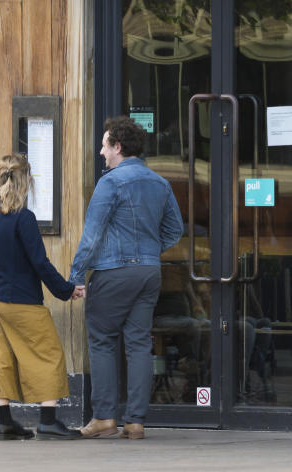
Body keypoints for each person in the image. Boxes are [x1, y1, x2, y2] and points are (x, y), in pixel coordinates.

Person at [69, 116, 183, 440]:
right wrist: (148, 252)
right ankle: (135, 422)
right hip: (149, 273)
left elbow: (91, 236)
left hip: (114, 273)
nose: (101, 152)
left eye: (105, 145)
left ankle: (104, 416)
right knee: (138, 345)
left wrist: (76, 276)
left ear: (118, 147)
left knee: (102, 340)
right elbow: (175, 230)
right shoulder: (160, 183)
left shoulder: (110, 183)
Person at [0, 154, 81, 440]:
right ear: (27, 181)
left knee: (2, 357)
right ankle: (47, 420)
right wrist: (67, 289)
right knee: (49, 354)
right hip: (20, 301)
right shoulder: (24, 217)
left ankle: (5, 422)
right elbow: (40, 263)